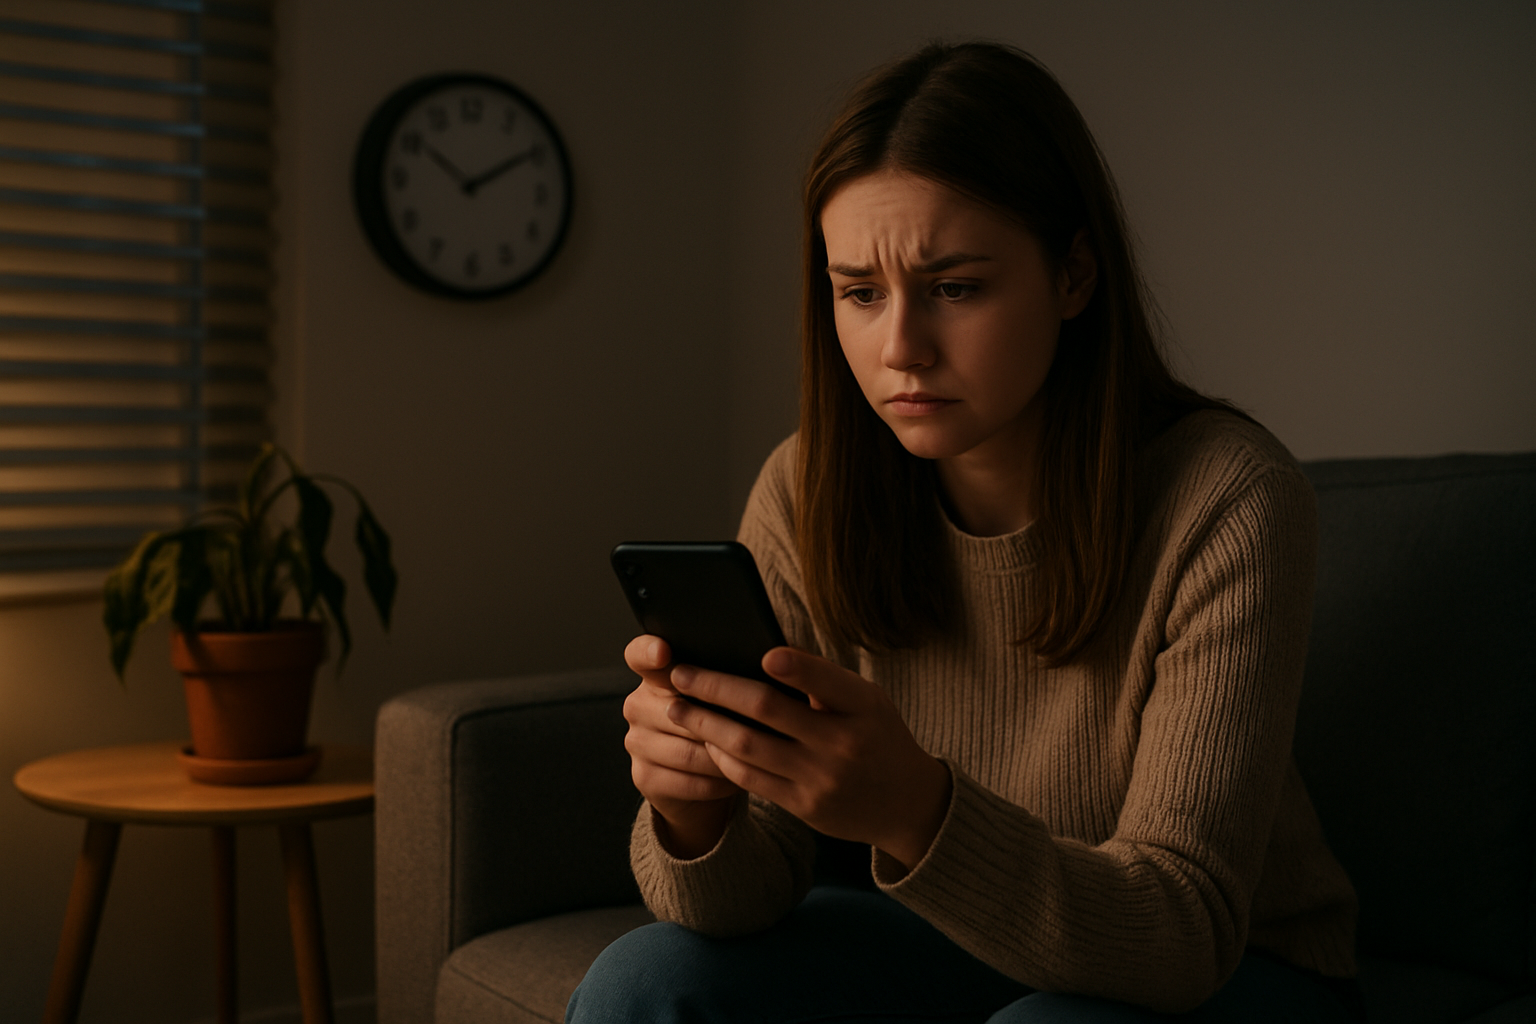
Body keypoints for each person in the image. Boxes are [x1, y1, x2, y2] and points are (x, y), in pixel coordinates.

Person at [569, 41, 1362, 1024]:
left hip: (1231, 972)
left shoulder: (1226, 496)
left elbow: (1181, 930)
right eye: (859, 291)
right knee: (641, 982)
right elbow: (741, 904)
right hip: (949, 943)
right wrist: (696, 813)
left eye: (955, 287)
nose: (899, 347)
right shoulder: (806, 487)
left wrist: (915, 806)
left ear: (1074, 274)